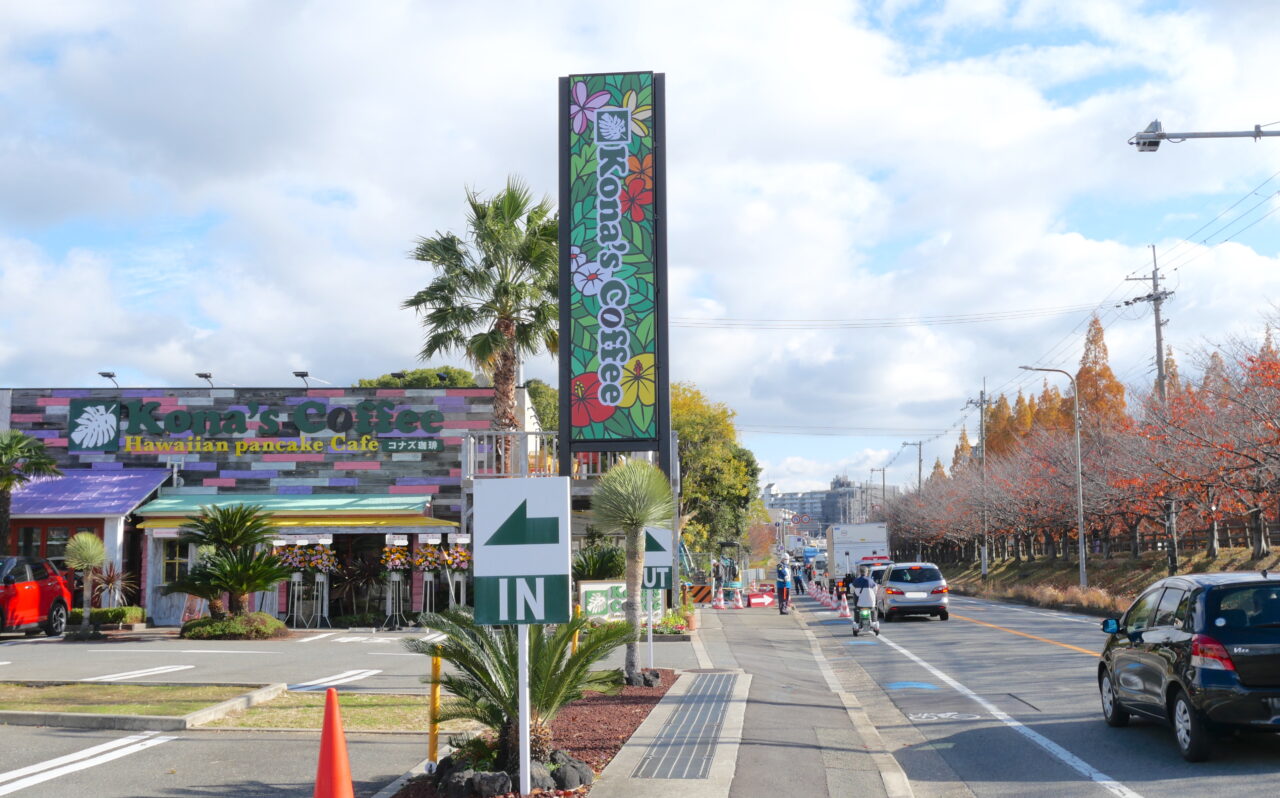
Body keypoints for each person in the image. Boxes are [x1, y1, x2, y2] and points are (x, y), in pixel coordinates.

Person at [851, 565, 878, 630]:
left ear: (860, 572)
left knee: (856, 610)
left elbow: (851, 590)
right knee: (873, 610)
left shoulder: (856, 581)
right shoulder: (871, 581)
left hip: (860, 604)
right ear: (867, 572)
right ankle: (874, 622)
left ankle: (857, 622)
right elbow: (875, 591)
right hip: (870, 604)